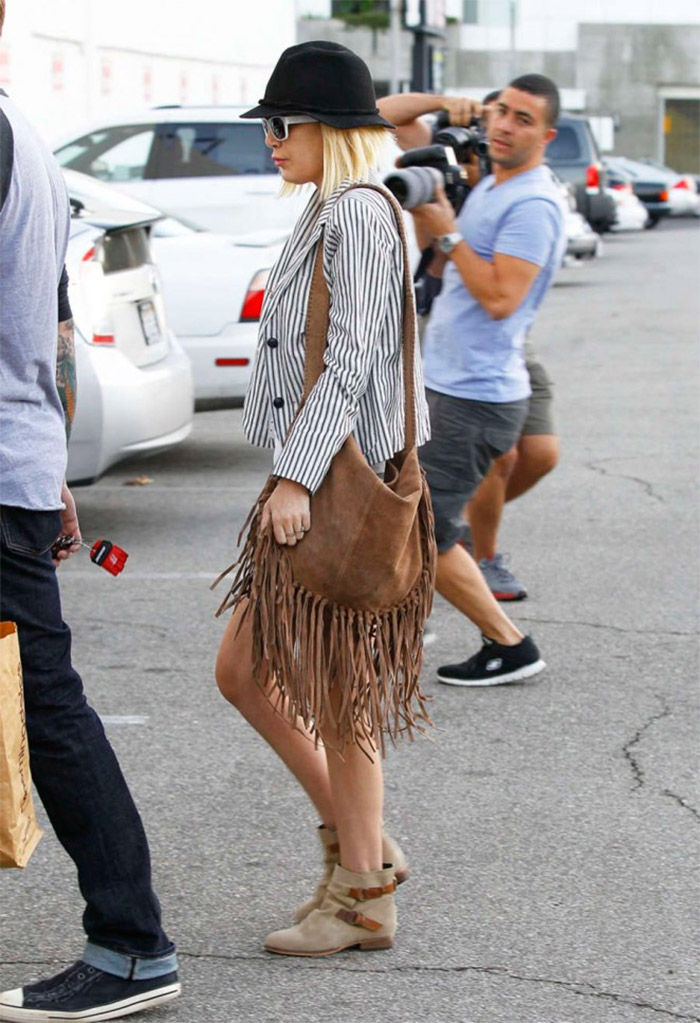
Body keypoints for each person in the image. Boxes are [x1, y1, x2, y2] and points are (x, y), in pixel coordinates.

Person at [215, 40, 431, 958]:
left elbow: (351, 359)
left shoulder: (360, 216)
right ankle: (361, 845)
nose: (270, 140)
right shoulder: (326, 209)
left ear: (329, 129)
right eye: (267, 125)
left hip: (341, 480)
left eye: (281, 124)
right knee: (245, 671)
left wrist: (298, 475)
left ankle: (363, 896)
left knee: (339, 690)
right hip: (310, 471)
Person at [0, 5, 180, 1020]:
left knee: (46, 706)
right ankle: (130, 939)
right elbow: (49, 329)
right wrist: (53, 465)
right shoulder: (25, 138)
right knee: (44, 701)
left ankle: (132, 942)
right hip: (15, 463)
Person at [377, 75, 565, 686]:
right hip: (450, 382)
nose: (506, 125)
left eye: (523, 119)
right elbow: (383, 114)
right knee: (414, 518)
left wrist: (447, 230)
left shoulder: (532, 205)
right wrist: (442, 105)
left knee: (422, 525)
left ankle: (510, 645)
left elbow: (502, 299)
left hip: (476, 395)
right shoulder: (490, 182)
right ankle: (406, 623)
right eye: (501, 111)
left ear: (547, 136)